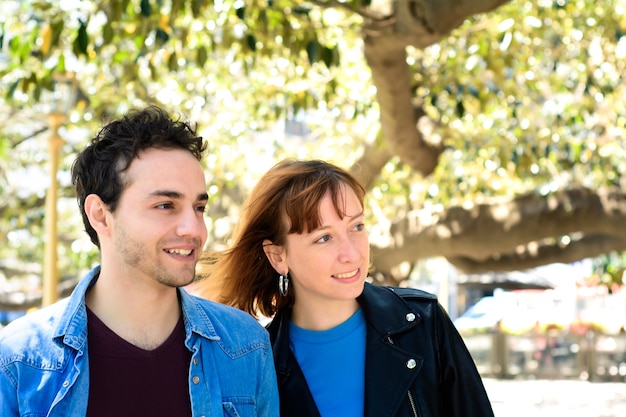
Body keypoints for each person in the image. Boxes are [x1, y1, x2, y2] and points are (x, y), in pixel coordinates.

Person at [0, 106, 279, 417]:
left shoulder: (246, 346)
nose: (194, 229)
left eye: (199, 208)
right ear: (100, 215)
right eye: (165, 205)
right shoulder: (18, 360)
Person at [195, 159, 495, 417]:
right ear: (278, 256)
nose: (351, 253)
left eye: (357, 227)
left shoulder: (423, 324)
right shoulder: (259, 363)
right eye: (324, 237)